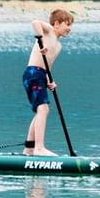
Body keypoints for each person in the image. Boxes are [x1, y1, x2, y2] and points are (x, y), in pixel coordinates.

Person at [22, 9, 74, 156]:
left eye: (71, 25)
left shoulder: (58, 46)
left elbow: (48, 65)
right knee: (43, 109)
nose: (69, 28)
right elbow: (35, 22)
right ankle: (39, 148)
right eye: (67, 24)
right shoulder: (49, 31)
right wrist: (40, 39)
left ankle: (29, 149)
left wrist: (50, 80)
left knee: (41, 111)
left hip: (41, 75)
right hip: (33, 73)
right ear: (57, 24)